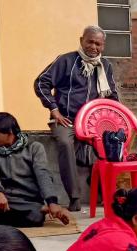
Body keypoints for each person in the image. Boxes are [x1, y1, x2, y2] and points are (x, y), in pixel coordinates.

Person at [34, 26, 119, 211]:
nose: (93, 47)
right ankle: (74, 197)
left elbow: (112, 97)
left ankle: (105, 193)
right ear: (81, 40)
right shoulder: (65, 60)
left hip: (94, 123)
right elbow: (41, 83)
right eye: (90, 41)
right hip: (67, 119)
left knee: (112, 144)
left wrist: (112, 121)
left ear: (103, 46)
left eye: (98, 43)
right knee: (65, 143)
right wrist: (54, 109)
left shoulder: (106, 66)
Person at [0, 112, 71, 228]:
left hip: (29, 199)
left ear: (10, 133)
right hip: (4, 198)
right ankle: (41, 209)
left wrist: (52, 202)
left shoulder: (34, 147)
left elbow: (43, 175)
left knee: (37, 218)